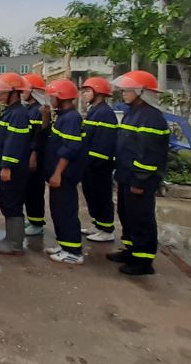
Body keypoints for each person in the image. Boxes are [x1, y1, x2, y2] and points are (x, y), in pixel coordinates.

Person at [108, 70, 170, 276]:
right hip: (127, 175)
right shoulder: (133, 112)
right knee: (127, 214)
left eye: (129, 90)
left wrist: (140, 180)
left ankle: (143, 260)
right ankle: (131, 249)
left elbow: (148, 154)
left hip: (139, 179)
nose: (124, 93)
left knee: (141, 217)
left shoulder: (150, 117)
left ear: (142, 92)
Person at [0, 72, 32, 256]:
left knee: (12, 203)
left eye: (2, 91)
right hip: (9, 168)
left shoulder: (18, 114)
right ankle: (10, 238)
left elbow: (15, 143)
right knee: (7, 203)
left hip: (12, 170)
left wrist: (6, 166)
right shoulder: (12, 111)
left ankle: (14, 242)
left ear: (14, 92)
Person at [42, 79, 87, 265]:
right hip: (59, 173)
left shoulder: (71, 119)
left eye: (53, 96)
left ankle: (73, 251)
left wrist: (58, 173)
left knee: (66, 210)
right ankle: (64, 244)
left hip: (65, 175)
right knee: (58, 211)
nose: (50, 100)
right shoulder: (62, 116)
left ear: (62, 98)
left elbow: (69, 149)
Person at [80, 76, 119, 242]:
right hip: (90, 163)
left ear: (99, 93)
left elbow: (103, 142)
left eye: (88, 91)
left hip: (99, 165)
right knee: (91, 195)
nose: (84, 94)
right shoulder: (94, 111)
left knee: (101, 195)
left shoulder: (105, 113)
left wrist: (94, 162)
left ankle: (106, 229)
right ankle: (97, 224)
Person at [21, 72, 48, 236]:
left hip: (35, 157)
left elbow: (38, 136)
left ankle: (37, 222)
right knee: (28, 190)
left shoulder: (39, 110)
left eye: (24, 89)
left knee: (34, 191)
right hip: (28, 155)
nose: (21, 92)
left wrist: (34, 155)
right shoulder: (30, 109)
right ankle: (32, 219)